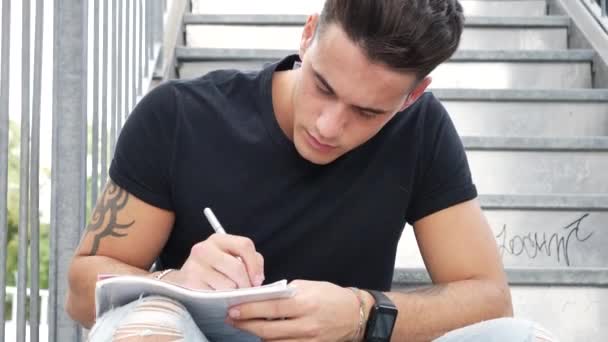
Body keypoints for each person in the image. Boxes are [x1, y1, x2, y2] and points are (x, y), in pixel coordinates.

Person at [66, 0, 556, 341]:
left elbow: (490, 300)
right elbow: (81, 291)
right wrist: (178, 281)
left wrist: (363, 314)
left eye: (367, 112)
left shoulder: (421, 130)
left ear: (413, 95)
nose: (329, 125)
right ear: (307, 33)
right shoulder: (178, 116)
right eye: (323, 85)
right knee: (145, 327)